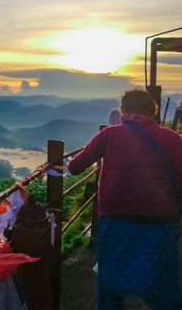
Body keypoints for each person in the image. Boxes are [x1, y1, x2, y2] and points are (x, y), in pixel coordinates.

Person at [67, 89, 182, 309]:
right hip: (161, 222)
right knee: (162, 280)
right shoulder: (173, 139)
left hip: (116, 220)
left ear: (124, 110)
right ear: (153, 111)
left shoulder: (109, 135)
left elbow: (74, 168)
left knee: (110, 280)